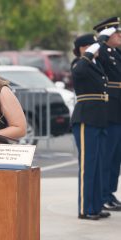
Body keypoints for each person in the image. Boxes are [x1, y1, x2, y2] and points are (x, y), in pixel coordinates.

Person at [71, 32, 115, 220]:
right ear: (83, 48)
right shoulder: (80, 63)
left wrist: (101, 44)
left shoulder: (97, 65)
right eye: (93, 45)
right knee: (88, 166)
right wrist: (89, 52)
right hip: (85, 119)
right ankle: (84, 208)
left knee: (98, 164)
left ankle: (95, 206)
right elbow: (79, 70)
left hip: (99, 119)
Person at [93, 17, 121, 211]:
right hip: (109, 110)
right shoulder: (102, 51)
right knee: (107, 154)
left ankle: (110, 192)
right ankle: (102, 195)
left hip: (118, 110)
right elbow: (94, 54)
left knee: (116, 156)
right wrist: (101, 39)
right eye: (116, 33)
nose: (120, 36)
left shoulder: (117, 53)